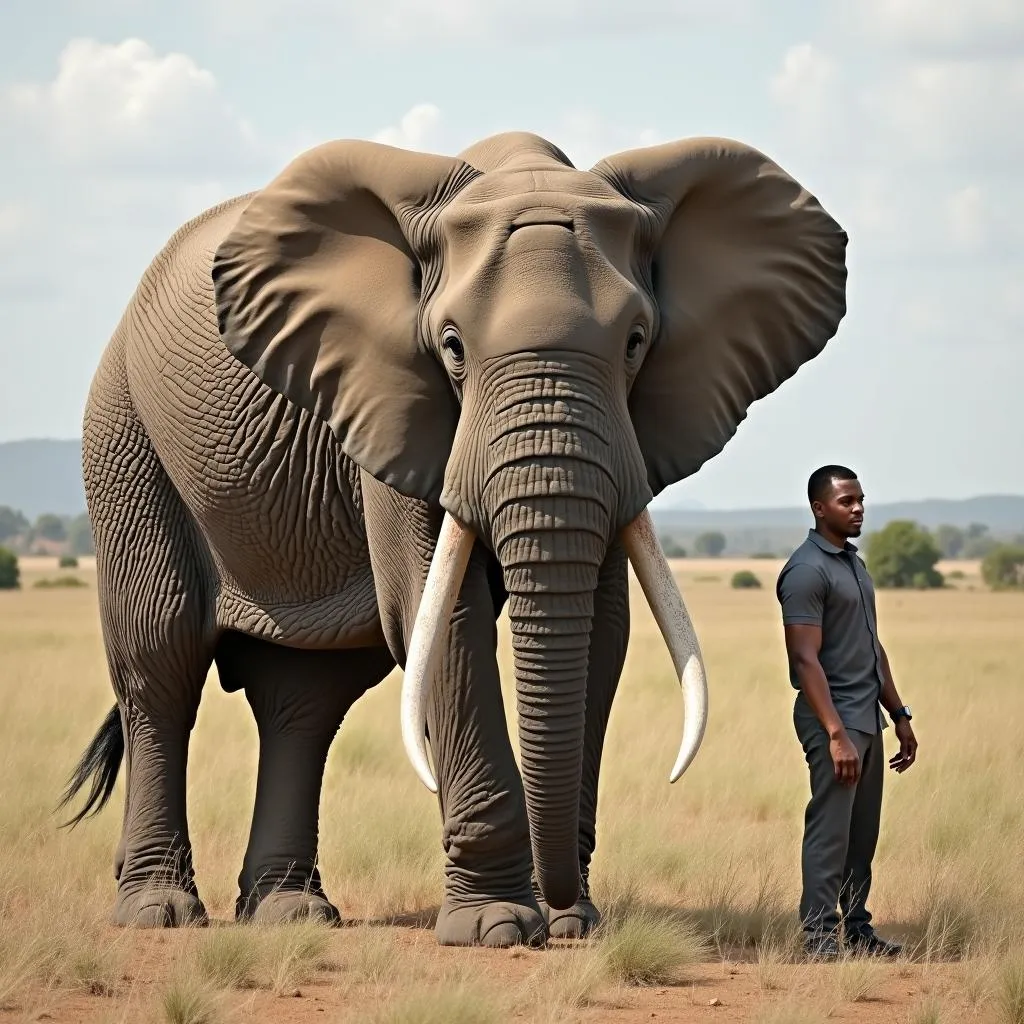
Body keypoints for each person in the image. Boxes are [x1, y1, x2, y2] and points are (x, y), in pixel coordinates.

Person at [776, 465, 918, 960]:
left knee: (861, 837)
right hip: (832, 720)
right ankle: (818, 939)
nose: (858, 508)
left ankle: (857, 932)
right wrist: (836, 733)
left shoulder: (854, 566)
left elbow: (872, 649)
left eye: (860, 499)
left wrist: (900, 715)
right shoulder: (806, 570)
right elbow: (804, 659)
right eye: (846, 501)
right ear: (819, 508)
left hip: (868, 720)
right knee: (830, 832)